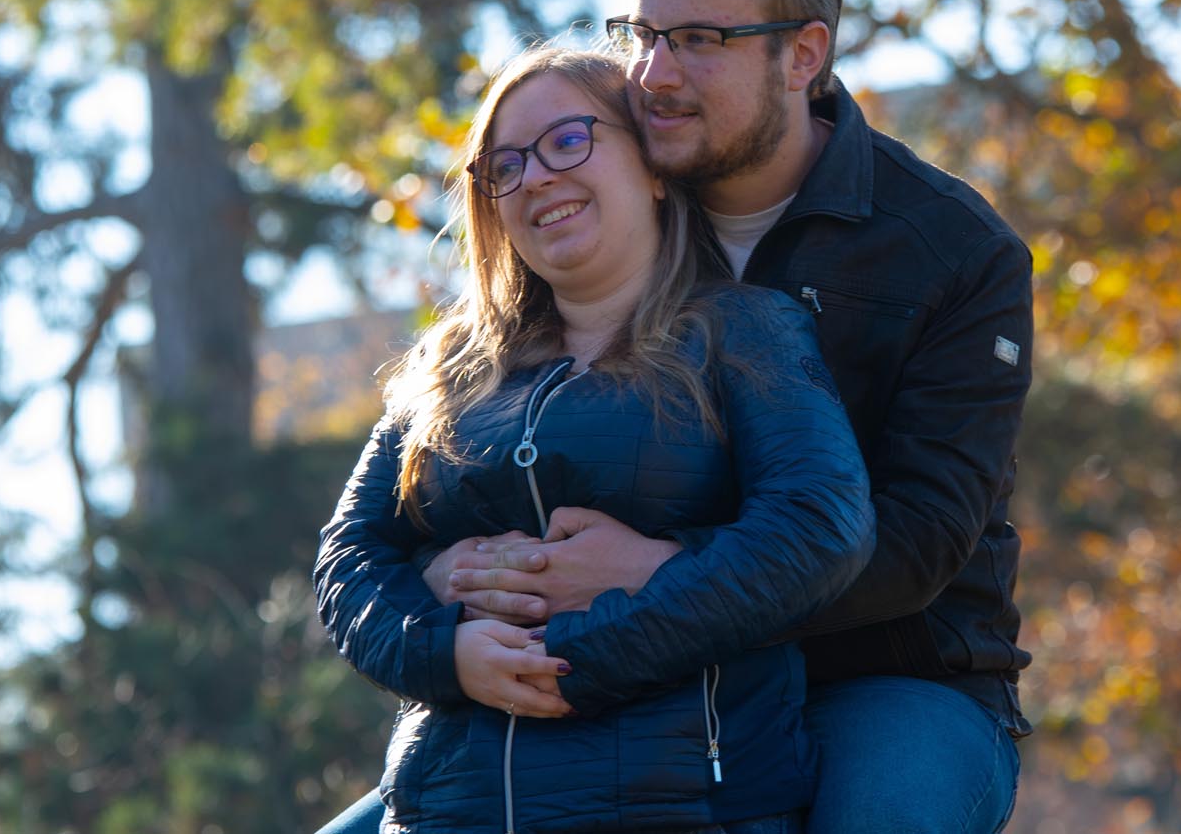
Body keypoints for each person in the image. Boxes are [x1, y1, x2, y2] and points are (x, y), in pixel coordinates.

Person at [319, 0, 1033, 834]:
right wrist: (458, 577)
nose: (655, 72)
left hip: (887, 671)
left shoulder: (951, 251)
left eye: (699, 38)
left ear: (803, 55)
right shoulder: (612, 192)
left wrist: (656, 572)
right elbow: (404, 514)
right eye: (643, 34)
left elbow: (920, 538)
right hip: (622, 686)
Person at [313, 45, 876, 833]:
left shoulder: (744, 330)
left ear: (653, 169)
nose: (535, 177)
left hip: (681, 804)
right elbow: (349, 556)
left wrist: (585, 642)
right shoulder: (447, 369)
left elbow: (820, 526)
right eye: (504, 166)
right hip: (451, 808)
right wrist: (448, 653)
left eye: (568, 140)